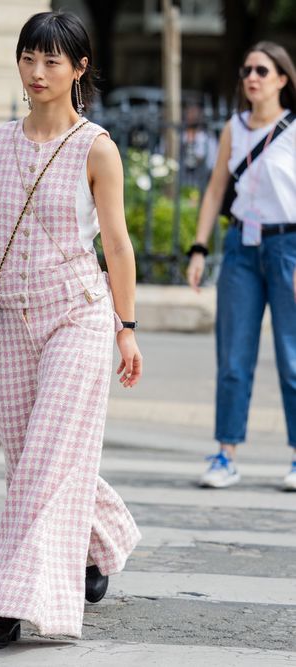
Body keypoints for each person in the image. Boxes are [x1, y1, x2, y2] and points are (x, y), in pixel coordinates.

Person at [0, 10, 142, 648]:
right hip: (12, 318)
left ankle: (6, 603)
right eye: (28, 58)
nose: (37, 72)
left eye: (52, 61)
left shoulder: (97, 147)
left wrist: (126, 327)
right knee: (31, 457)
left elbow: (118, 247)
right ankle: (104, 542)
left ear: (79, 68)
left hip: (78, 314)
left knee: (45, 459)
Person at [186, 42, 296, 491]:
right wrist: (198, 246)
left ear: (282, 80)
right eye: (246, 69)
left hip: (288, 246)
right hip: (239, 247)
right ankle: (225, 454)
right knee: (233, 357)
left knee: (292, 358)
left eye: (262, 71)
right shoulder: (234, 127)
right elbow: (215, 191)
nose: (251, 77)